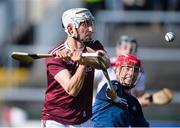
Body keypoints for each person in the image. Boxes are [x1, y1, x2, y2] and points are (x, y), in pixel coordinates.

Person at [41, 8, 110, 128]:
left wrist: (84, 59)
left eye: (91, 24)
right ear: (70, 29)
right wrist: (82, 64)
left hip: (84, 119)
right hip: (57, 120)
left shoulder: (93, 46)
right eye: (85, 25)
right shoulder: (53, 56)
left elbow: (105, 62)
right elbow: (72, 89)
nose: (91, 29)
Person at [92, 54, 149, 127]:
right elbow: (111, 90)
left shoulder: (134, 103)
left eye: (135, 70)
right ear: (118, 70)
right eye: (127, 69)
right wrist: (114, 97)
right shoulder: (113, 85)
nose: (131, 74)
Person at [94, 35, 151, 106]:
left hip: (124, 111)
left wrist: (149, 99)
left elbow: (139, 96)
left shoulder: (138, 71)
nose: (128, 52)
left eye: (132, 49)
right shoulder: (107, 64)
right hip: (103, 109)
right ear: (118, 49)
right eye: (125, 48)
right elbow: (88, 82)